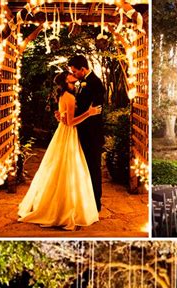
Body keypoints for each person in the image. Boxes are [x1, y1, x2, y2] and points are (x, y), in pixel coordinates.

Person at [18, 71, 101, 230]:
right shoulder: (68, 97)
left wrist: (60, 115)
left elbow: (64, 116)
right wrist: (89, 113)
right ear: (66, 80)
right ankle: (63, 210)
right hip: (68, 132)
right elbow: (70, 122)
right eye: (69, 74)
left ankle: (56, 205)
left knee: (62, 168)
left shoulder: (67, 94)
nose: (72, 74)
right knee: (67, 169)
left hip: (63, 132)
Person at [67, 54, 106, 212]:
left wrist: (77, 114)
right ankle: (85, 201)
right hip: (82, 131)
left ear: (83, 69)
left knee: (93, 168)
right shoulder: (82, 83)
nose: (74, 74)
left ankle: (96, 204)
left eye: (75, 71)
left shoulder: (97, 84)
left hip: (92, 135)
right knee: (83, 168)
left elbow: (95, 111)